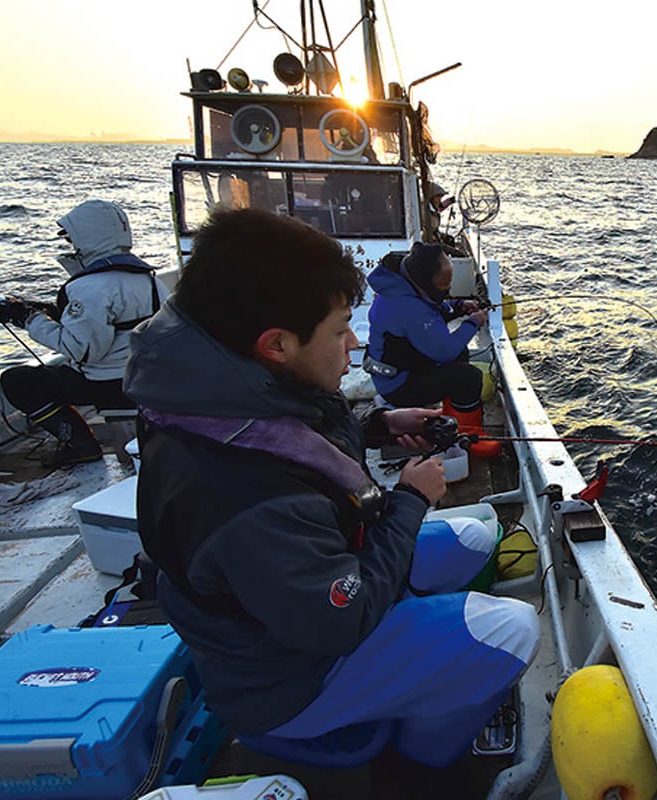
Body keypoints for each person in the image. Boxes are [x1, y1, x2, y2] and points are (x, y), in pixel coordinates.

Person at [124, 208, 539, 769]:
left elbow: (288, 438)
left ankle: (419, 666)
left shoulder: (226, 388)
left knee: (472, 536)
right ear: (277, 344)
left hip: (312, 591)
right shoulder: (242, 497)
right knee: (512, 629)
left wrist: (377, 425)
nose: (351, 348)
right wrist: (413, 499)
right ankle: (418, 764)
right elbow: (343, 618)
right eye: (341, 330)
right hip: (290, 683)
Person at [0, 199, 167, 468]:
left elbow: (83, 350)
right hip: (146, 378)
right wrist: (50, 312)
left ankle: (79, 443)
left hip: (107, 385)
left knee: (18, 380)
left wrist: (26, 319)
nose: (71, 247)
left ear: (86, 238)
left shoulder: (89, 287)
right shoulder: (150, 279)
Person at [364, 241, 501, 458]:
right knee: (468, 376)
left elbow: (430, 310)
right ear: (426, 281)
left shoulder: (403, 286)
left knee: (460, 354)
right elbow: (443, 350)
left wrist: (458, 306)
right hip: (398, 386)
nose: (447, 288)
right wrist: (473, 322)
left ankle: (450, 417)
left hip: (401, 370)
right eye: (444, 285)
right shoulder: (406, 307)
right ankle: (469, 436)